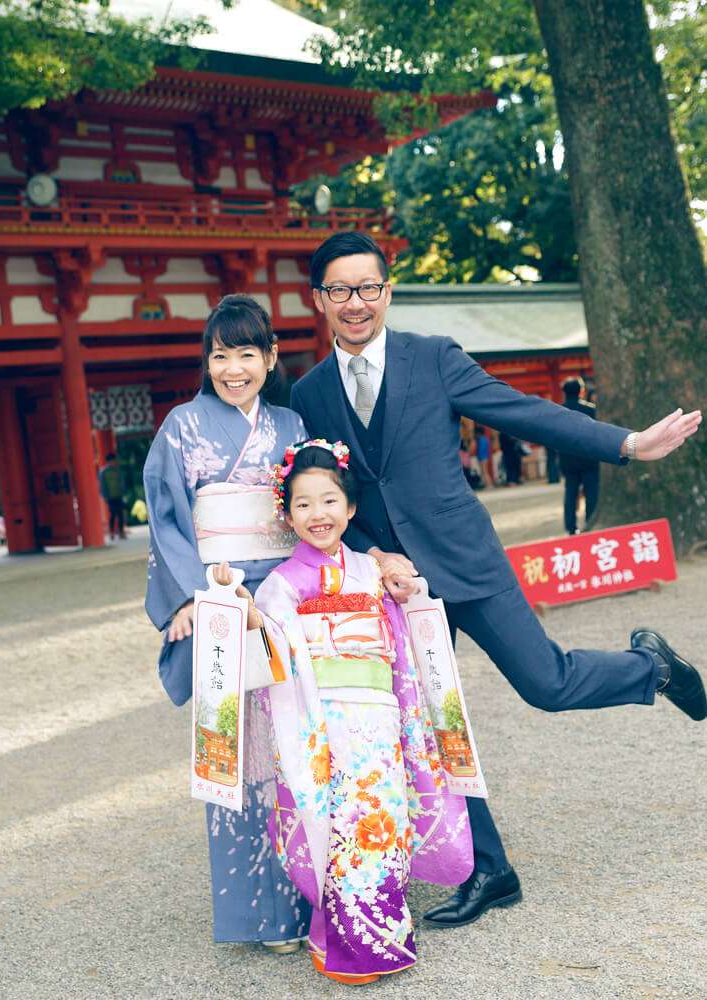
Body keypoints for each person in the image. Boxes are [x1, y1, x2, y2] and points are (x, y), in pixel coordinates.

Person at [289, 230, 705, 931]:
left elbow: (524, 412)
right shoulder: (309, 392)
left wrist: (626, 445)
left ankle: (652, 670)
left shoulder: (433, 358)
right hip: (401, 587)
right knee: (431, 727)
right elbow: (321, 494)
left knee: (547, 683)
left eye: (367, 287)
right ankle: (490, 869)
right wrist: (372, 553)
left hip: (467, 561)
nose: (354, 302)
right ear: (319, 300)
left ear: (387, 291)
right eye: (339, 290)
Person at [251, 441, 473, 983]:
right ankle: (348, 948)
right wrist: (256, 624)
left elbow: (402, 636)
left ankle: (380, 937)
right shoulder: (281, 583)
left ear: (351, 508)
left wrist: (407, 591)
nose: (317, 514)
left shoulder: (372, 572)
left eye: (329, 501)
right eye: (302, 505)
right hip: (323, 722)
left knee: (385, 822)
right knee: (340, 828)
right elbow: (270, 655)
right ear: (288, 514)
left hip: (380, 717)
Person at [143, 294, 312, 952]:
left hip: (286, 596)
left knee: (300, 743)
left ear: (271, 358)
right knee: (239, 756)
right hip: (219, 599)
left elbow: (309, 510)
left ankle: (312, 895)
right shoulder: (181, 428)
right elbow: (166, 518)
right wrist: (189, 596)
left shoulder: (292, 427)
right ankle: (261, 916)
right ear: (206, 361)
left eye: (247, 353)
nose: (233, 367)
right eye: (220, 355)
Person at [559, 376, 600, 534]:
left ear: (564, 392)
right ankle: (590, 521)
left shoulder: (560, 412)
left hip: (568, 459)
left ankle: (571, 526)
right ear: (581, 391)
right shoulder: (591, 410)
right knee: (592, 493)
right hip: (589, 457)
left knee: (570, 494)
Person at [98, 452, 127, 539]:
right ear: (109, 461)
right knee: (113, 514)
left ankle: (121, 532)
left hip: (119, 495)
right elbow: (102, 485)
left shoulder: (117, 470)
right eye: (113, 460)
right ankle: (111, 532)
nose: (114, 462)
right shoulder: (104, 472)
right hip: (110, 496)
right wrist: (105, 496)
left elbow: (121, 483)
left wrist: (123, 493)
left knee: (121, 514)